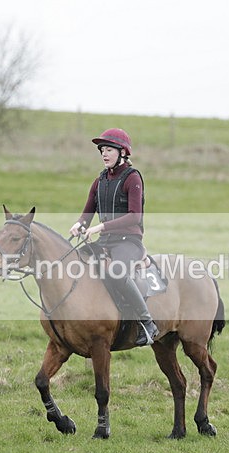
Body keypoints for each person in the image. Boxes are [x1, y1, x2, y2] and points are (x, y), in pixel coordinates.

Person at [69, 128, 159, 346]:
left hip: (129, 243)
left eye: (109, 149)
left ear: (122, 152)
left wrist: (101, 227)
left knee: (117, 273)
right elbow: (87, 213)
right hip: (105, 243)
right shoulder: (99, 181)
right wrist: (79, 225)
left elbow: (134, 216)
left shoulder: (133, 178)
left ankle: (147, 323)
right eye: (102, 150)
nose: (104, 154)